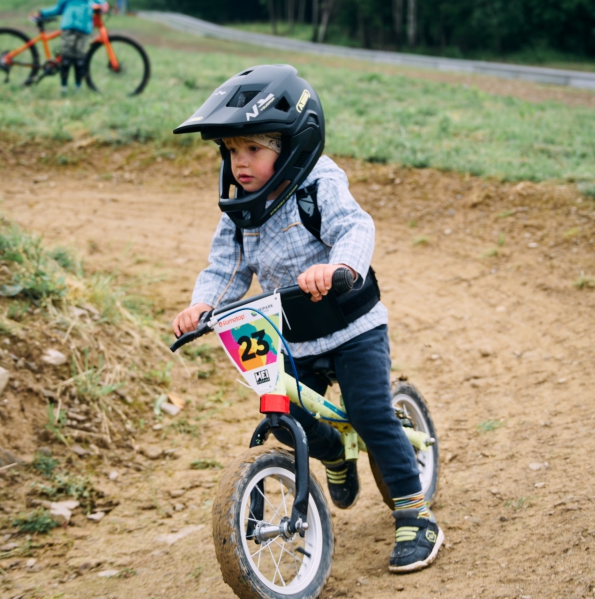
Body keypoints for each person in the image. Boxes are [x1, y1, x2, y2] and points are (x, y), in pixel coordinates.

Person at [171, 64, 443, 573]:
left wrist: (339, 267)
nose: (239, 162)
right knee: (286, 416)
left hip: (353, 327)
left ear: (292, 145)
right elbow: (227, 268)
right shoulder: (241, 207)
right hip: (295, 334)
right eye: (231, 151)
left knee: (369, 412)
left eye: (253, 149)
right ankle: (335, 453)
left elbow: (354, 227)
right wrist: (203, 305)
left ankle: (415, 514)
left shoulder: (318, 182)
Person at [31, 0, 97, 95]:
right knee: (66, 60)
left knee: (80, 61)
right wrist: (42, 13)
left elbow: (100, 3)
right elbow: (58, 8)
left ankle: (77, 87)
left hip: (83, 30)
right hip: (68, 29)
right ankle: (64, 88)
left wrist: (103, 6)